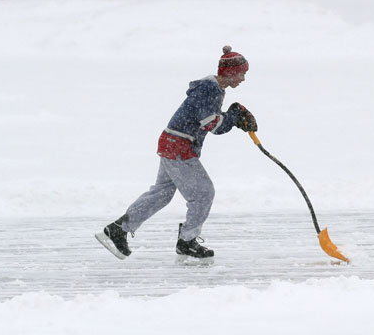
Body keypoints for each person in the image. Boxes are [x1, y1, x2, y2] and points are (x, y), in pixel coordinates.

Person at [96, 46, 257, 263]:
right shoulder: (208, 89)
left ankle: (117, 230)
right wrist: (233, 117)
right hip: (179, 146)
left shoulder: (213, 89)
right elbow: (212, 124)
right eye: (241, 73)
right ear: (229, 72)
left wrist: (232, 116)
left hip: (172, 142)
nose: (243, 78)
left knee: (162, 193)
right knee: (203, 194)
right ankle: (187, 241)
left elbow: (211, 120)